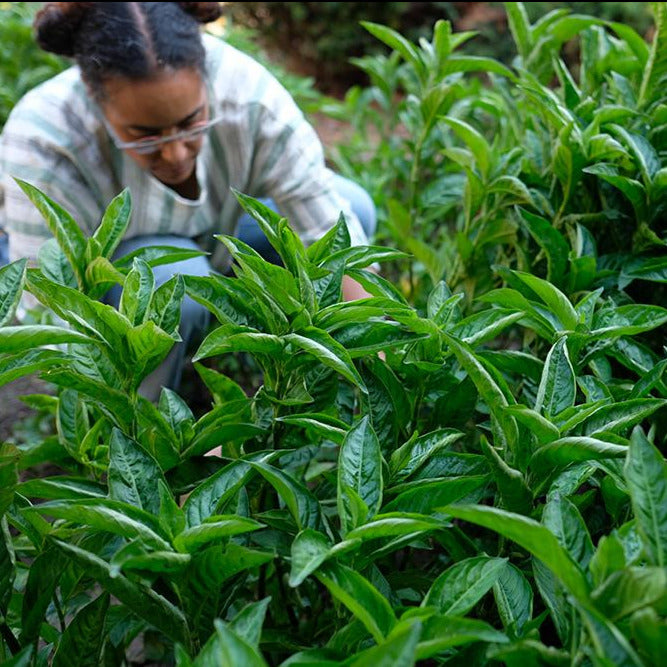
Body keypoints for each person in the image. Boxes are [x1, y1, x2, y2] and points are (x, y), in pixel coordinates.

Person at [0, 2, 376, 400]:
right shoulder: (45, 140)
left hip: (215, 236)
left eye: (191, 123)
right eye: (146, 135)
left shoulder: (249, 95)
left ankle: (260, 367)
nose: (176, 155)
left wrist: (380, 370)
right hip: (125, 281)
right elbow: (50, 308)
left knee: (352, 207)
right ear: (97, 102)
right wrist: (105, 407)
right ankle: (150, 424)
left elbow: (330, 241)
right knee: (173, 282)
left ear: (205, 79)